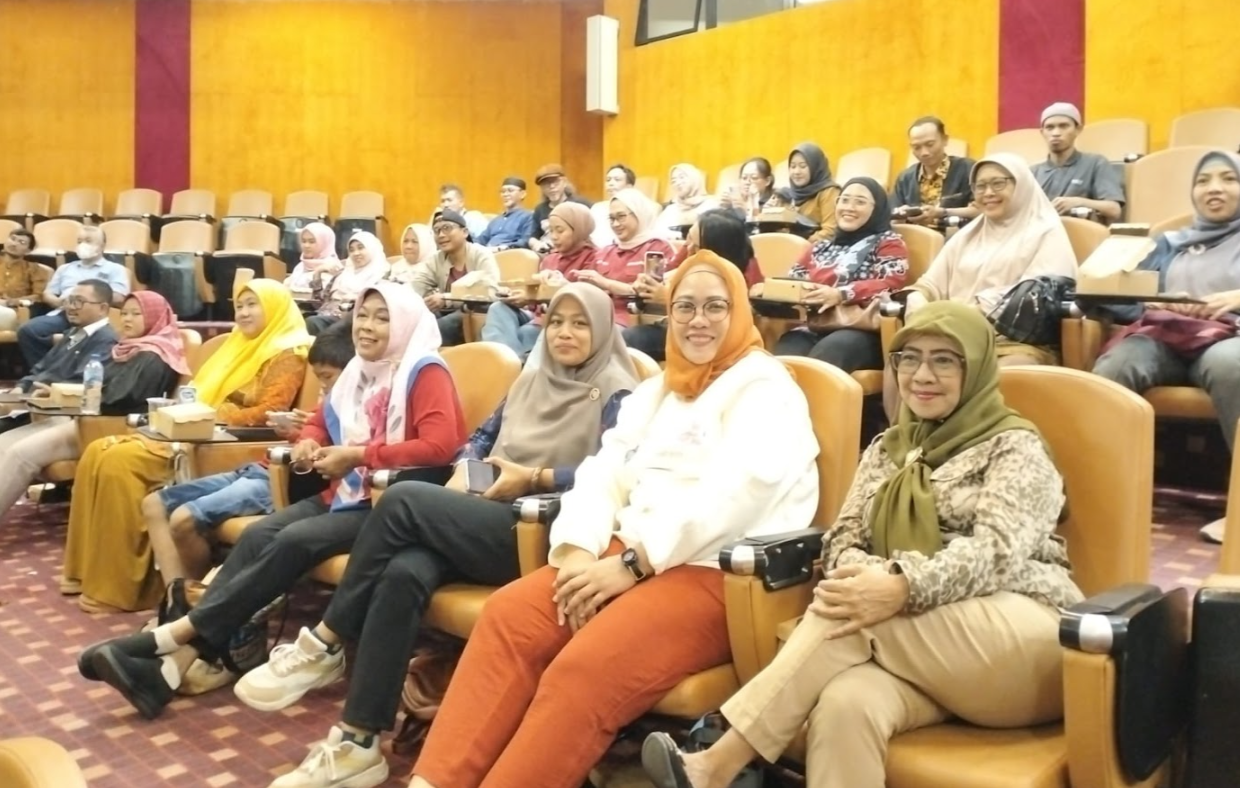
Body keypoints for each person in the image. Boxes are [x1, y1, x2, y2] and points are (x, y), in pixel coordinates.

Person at [405, 250, 819, 788]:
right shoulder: (659, 389)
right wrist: (579, 552)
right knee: (509, 617)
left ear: (739, 311)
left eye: (715, 307)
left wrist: (633, 564)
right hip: (623, 554)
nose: (698, 320)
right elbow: (603, 472)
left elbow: (734, 496)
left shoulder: (767, 388)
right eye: (685, 306)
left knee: (585, 666)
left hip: (718, 573)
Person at [641, 301, 1082, 788]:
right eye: (909, 358)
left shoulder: (1014, 445)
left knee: (847, 615)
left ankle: (719, 763)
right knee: (846, 704)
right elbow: (842, 538)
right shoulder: (888, 448)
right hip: (924, 648)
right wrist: (865, 577)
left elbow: (995, 553)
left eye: (943, 360)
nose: (922, 375)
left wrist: (900, 584)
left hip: (1026, 640)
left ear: (975, 367)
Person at [233, 284, 641, 788]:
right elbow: (479, 439)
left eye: (580, 324)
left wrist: (534, 478)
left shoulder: (621, 392)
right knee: (404, 572)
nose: (564, 333)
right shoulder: (530, 378)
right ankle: (358, 742)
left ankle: (328, 639)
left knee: (403, 500)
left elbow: (615, 473)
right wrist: (469, 473)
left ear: (602, 330)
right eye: (556, 321)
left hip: (549, 528)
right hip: (488, 512)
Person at [78, 283, 467, 721]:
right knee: (259, 535)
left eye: (382, 318)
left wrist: (359, 455)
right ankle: (169, 669)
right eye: (363, 315)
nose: (367, 326)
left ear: (405, 324)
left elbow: (439, 447)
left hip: (390, 505)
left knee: (294, 540)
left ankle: (168, 639)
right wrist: (309, 442)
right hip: (343, 493)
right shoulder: (359, 370)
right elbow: (320, 422)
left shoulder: (423, 371)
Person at [61, 279, 312, 614]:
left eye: (253, 304)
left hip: (223, 443)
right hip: (191, 430)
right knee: (99, 451)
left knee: (120, 461)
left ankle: (124, 590)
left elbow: (269, 412)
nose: (243, 313)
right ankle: (86, 575)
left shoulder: (288, 350)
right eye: (239, 306)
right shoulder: (235, 343)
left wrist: (212, 414)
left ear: (275, 307)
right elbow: (196, 395)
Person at [1091, 150, 1240, 544]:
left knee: (1233, 365)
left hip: (1230, 337)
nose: (1214, 188)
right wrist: (1153, 302)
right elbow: (1118, 295)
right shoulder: (1170, 242)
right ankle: (1095, 490)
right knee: (1115, 366)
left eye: (1229, 179)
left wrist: (1236, 298)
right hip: (1170, 335)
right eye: (1203, 181)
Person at [144, 325, 356, 584]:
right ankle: (174, 597)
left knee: (183, 518)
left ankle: (193, 598)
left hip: (275, 480)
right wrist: (294, 432)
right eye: (319, 378)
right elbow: (310, 434)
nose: (322, 386)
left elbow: (330, 454)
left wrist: (308, 435)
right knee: (153, 504)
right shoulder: (328, 405)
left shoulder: (356, 408)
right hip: (256, 468)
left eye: (328, 377)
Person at [0, 291, 184, 520]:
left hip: (112, 427)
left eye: (136, 314)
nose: (127, 319)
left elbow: (119, 399)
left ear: (155, 317)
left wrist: (74, 398)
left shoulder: (154, 354)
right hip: (89, 419)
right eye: (124, 313)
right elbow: (101, 390)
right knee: (4, 442)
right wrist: (62, 393)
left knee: (21, 454)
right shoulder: (128, 349)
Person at [774, 178, 910, 373]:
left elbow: (890, 283)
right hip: (815, 324)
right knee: (784, 357)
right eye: (844, 200)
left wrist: (840, 294)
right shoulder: (820, 246)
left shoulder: (889, 242)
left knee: (828, 353)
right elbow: (795, 280)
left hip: (860, 329)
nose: (849, 208)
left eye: (860, 202)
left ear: (877, 209)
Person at [625, 209, 763, 363]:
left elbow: (736, 318)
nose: (688, 249)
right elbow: (668, 274)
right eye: (688, 240)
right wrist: (649, 287)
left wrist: (668, 298)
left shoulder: (739, 274)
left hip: (710, 334)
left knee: (631, 339)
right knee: (623, 338)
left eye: (696, 247)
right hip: (676, 326)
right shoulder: (688, 253)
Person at [0, 280, 121, 437]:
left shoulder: (106, 340)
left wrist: (47, 392)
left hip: (58, 413)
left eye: (79, 302)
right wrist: (22, 386)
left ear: (102, 308)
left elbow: (80, 384)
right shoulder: (73, 333)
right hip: (33, 404)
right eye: (69, 301)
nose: (70, 307)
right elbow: (41, 367)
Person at [481, 202, 597, 357]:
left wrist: (551, 291)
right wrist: (524, 298)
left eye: (560, 231)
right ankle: (505, 362)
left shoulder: (595, 258)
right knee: (498, 309)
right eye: (551, 231)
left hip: (564, 319)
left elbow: (587, 301)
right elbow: (536, 303)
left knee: (527, 332)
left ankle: (515, 363)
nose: (554, 237)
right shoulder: (550, 259)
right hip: (539, 315)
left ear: (579, 229)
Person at [18, 225, 130, 367]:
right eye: (79, 241)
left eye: (88, 241)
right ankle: (43, 371)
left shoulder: (115, 269)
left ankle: (63, 364)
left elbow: (119, 297)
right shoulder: (65, 268)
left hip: (93, 315)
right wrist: (60, 302)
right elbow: (47, 294)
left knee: (79, 335)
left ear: (102, 246)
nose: (82, 245)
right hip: (64, 313)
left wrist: (86, 300)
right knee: (28, 330)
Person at [578, 187, 676, 329]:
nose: (616, 224)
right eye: (612, 219)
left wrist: (607, 284)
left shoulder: (658, 248)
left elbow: (650, 294)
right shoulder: (605, 251)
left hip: (632, 321)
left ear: (638, 214)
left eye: (621, 217)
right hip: (596, 315)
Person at [410, 208, 501, 347]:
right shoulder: (436, 259)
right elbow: (416, 285)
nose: (441, 235)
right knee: (417, 321)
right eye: (436, 230)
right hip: (447, 313)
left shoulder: (481, 254)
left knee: (432, 330)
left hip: (475, 312)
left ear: (465, 232)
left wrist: (446, 298)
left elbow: (491, 290)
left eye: (447, 228)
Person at [1033, 102, 1125, 223]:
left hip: (1083, 232)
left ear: (1078, 129)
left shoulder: (1095, 163)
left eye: (1063, 126)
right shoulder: (1033, 172)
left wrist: (1079, 202)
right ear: (1042, 132)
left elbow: (1114, 210)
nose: (1056, 133)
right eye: (1049, 127)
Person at [891, 116, 978, 230]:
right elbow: (892, 217)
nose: (924, 153)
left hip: (956, 236)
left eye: (930, 144)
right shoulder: (905, 178)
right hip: (915, 237)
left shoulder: (969, 169)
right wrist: (901, 215)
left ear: (945, 140)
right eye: (917, 147)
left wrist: (943, 212)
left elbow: (981, 210)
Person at [306, 230, 389, 335]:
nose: (356, 253)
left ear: (372, 248)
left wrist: (356, 300)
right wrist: (317, 273)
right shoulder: (342, 274)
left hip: (353, 320)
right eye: (351, 250)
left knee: (313, 322)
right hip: (326, 317)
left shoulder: (383, 276)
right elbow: (317, 303)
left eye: (361, 248)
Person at [530, 164, 591, 253]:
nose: (551, 187)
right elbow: (533, 236)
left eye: (555, 182)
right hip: (546, 252)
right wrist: (537, 244)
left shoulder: (579, 204)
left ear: (564, 182)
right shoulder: (540, 209)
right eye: (546, 184)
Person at [787, 143, 841, 244]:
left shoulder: (829, 192)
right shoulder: (789, 194)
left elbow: (830, 231)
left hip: (816, 248)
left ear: (815, 167)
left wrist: (800, 245)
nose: (796, 172)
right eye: (792, 166)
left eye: (803, 166)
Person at [655, 164, 720, 238]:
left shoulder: (712, 205)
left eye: (682, 177)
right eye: (673, 181)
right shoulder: (670, 209)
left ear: (694, 178)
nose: (678, 183)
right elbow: (656, 233)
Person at [0, 227, 46, 331]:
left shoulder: (34, 269)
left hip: (13, 311)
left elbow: (38, 296)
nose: (14, 244)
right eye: (12, 239)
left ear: (28, 250)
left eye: (22, 242)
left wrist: (10, 302)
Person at [476, 177, 535, 252]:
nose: (505, 194)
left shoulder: (528, 216)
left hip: (510, 254)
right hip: (488, 253)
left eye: (510, 191)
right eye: (503, 191)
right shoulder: (496, 221)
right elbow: (480, 240)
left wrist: (502, 248)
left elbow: (526, 241)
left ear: (522, 194)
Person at [283, 222, 341, 294]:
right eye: (303, 241)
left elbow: (321, 297)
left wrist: (317, 272)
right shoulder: (301, 266)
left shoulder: (332, 267)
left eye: (312, 242)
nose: (306, 245)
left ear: (324, 243)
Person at [590, 164, 638, 247]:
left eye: (617, 180)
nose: (611, 183)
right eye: (608, 180)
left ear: (629, 186)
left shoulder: (637, 209)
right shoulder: (597, 208)